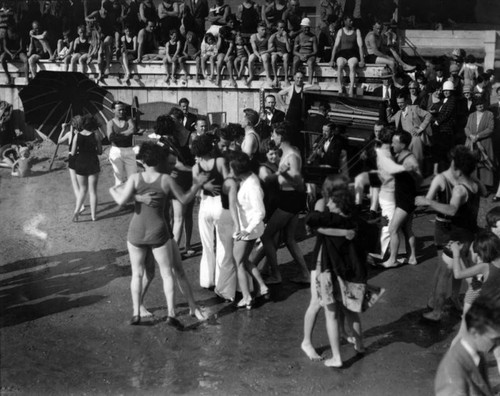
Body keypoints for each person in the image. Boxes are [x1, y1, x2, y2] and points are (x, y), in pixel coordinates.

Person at [109, 142, 208, 326]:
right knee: (166, 273)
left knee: (140, 274)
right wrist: (197, 184)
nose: (172, 167)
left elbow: (122, 198)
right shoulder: (166, 180)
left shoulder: (137, 178)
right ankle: (170, 313)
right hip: (159, 232)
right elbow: (185, 199)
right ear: (160, 161)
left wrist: (116, 191)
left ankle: (136, 311)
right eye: (169, 164)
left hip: (139, 232)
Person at [416, 146, 480, 322]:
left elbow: (451, 210)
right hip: (469, 235)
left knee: (445, 274)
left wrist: (427, 201)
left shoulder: (459, 189)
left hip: (457, 238)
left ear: (459, 170)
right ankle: (466, 301)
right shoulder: (475, 184)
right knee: (467, 273)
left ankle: (437, 312)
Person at [261, 123, 310, 284]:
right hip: (291, 198)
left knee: (267, 235)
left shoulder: (291, 156)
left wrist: (279, 174)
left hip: (290, 199)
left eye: (274, 135)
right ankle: (305, 274)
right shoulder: (291, 151)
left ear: (280, 137)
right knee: (289, 239)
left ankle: (276, 274)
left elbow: (297, 181)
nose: (272, 137)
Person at [434, 290, 500, 396]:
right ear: (475, 333)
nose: (497, 344)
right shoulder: (453, 375)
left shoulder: (477, 353)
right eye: (494, 339)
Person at [228, 151, 269, 309]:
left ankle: (247, 297)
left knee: (238, 263)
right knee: (245, 260)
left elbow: (260, 211)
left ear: (238, 170)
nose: (230, 172)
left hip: (248, 230)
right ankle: (262, 286)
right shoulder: (249, 179)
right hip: (249, 228)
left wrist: (247, 230)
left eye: (231, 169)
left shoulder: (252, 186)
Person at [376, 130, 421, 268]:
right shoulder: (400, 155)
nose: (392, 144)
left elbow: (419, 177)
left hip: (406, 200)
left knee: (393, 229)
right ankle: (412, 257)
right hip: (405, 197)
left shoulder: (409, 159)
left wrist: (409, 172)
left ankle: (393, 260)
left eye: (395, 142)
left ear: (403, 144)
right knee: (408, 229)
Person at [191, 134, 230, 290]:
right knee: (222, 245)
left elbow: (195, 188)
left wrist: (204, 186)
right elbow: (228, 182)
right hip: (220, 204)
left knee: (207, 245)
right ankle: (222, 282)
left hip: (205, 205)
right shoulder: (220, 162)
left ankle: (207, 280)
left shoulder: (195, 167)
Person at [449, 232, 500, 345]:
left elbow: (458, 274)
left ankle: (453, 359)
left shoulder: (484, 267)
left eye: (475, 251)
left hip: (475, 301)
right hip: (491, 305)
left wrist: (456, 253)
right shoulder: (491, 265)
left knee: (462, 335)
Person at [71, 114, 102, 222]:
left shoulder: (77, 135)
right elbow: (100, 151)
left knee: (82, 190)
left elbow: (73, 153)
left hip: (80, 163)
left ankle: (76, 211)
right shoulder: (96, 135)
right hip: (93, 162)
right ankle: (94, 216)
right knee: (93, 191)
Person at [390, 94, 432, 170]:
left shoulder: (414, 108)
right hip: (405, 140)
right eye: (398, 102)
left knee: (417, 161)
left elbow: (428, 115)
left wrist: (420, 128)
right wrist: (388, 111)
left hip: (416, 138)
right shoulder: (399, 113)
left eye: (401, 102)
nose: (399, 104)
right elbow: (389, 120)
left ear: (406, 101)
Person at [329, 15, 364, 96]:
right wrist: (331, 59)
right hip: (342, 53)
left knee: (352, 65)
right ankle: (340, 88)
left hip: (352, 53)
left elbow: (360, 46)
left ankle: (351, 89)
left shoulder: (357, 31)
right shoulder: (340, 31)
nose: (352, 22)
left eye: (352, 21)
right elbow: (335, 46)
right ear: (345, 21)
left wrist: (362, 60)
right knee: (340, 64)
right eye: (350, 21)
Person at [465, 98, 495, 189]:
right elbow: (466, 128)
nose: (480, 106)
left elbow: (490, 128)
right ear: (475, 106)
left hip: (484, 142)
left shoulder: (489, 114)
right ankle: (474, 185)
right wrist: (470, 136)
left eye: (481, 104)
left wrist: (477, 136)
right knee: (472, 163)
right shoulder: (471, 115)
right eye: (478, 104)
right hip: (472, 143)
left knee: (485, 163)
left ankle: (486, 186)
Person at [106, 101, 137, 187]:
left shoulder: (129, 120)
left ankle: (131, 198)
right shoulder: (110, 123)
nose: (122, 112)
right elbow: (110, 138)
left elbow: (132, 130)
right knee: (119, 178)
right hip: (116, 151)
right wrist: (126, 134)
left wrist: (118, 135)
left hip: (129, 150)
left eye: (123, 110)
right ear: (113, 110)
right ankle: (120, 198)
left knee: (133, 178)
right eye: (119, 110)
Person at [58, 116, 84, 214]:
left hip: (73, 159)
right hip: (84, 158)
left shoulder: (70, 134)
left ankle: (80, 205)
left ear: (72, 125)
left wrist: (63, 129)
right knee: (82, 183)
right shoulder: (86, 134)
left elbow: (59, 141)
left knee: (75, 183)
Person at [432, 80, 457, 175]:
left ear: (451, 91)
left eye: (448, 90)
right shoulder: (444, 100)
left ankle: (448, 171)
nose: (446, 92)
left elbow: (447, 114)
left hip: (447, 129)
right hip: (441, 128)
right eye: (445, 90)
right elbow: (440, 110)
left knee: (446, 150)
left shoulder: (452, 100)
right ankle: (439, 171)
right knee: (439, 150)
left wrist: (437, 122)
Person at [292, 18, 317, 86]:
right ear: (302, 27)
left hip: (310, 55)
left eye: (308, 28)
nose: (306, 29)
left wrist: (307, 55)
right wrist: (300, 55)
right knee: (295, 61)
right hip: (300, 54)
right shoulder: (298, 37)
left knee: (311, 62)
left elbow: (315, 51)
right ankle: (294, 81)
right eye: (305, 28)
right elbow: (294, 51)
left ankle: (309, 82)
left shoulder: (313, 37)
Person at [246, 22, 272, 87]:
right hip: (257, 53)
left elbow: (270, 48)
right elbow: (254, 50)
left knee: (264, 57)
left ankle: (268, 77)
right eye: (262, 30)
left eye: (265, 29)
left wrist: (264, 52)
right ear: (258, 30)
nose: (264, 31)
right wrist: (258, 56)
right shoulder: (253, 36)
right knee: (250, 58)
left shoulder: (268, 36)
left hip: (265, 52)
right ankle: (251, 76)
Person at [269, 20, 291, 87]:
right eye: (281, 27)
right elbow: (269, 50)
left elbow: (289, 50)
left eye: (283, 27)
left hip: (285, 54)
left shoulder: (287, 36)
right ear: (277, 28)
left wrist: (286, 38)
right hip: (276, 54)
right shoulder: (273, 36)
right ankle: (275, 77)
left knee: (286, 56)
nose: (282, 29)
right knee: (273, 57)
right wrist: (277, 53)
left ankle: (286, 78)